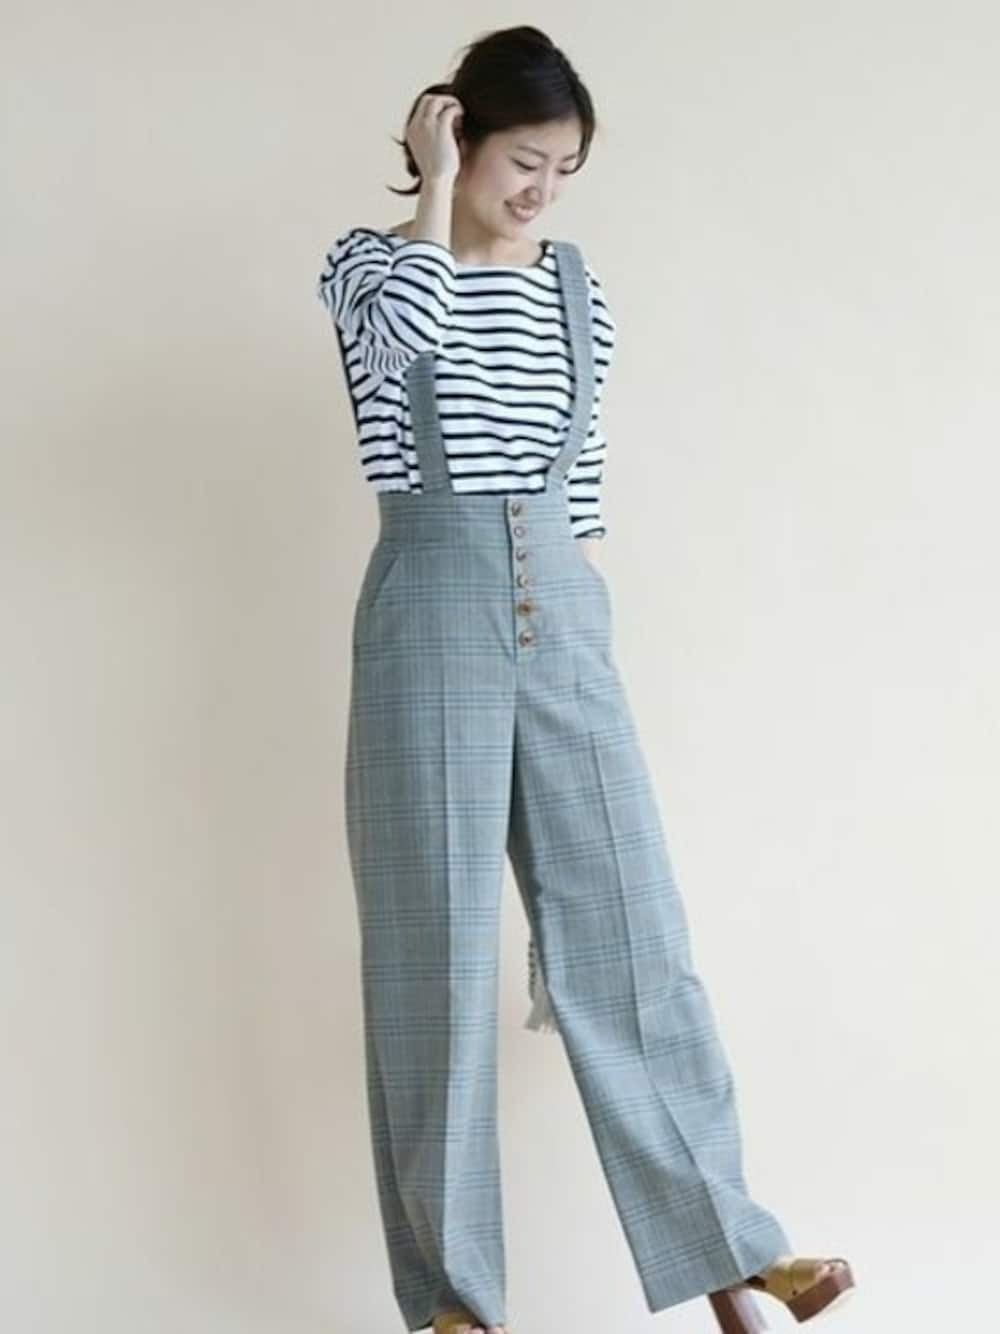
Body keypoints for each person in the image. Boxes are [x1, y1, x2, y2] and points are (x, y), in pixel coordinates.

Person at [316, 25, 855, 1334]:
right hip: (430, 603)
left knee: (632, 938)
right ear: (457, 135)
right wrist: (434, 194)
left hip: (561, 608)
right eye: (521, 160)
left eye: (564, 168)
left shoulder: (576, 289)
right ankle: (455, 1301)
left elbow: (586, 470)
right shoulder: (372, 267)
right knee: (437, 959)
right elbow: (406, 347)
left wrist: (585, 614)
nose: (542, 190)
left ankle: (738, 1244)